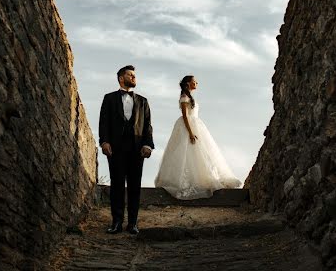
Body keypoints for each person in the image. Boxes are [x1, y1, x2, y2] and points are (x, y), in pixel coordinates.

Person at [154, 75, 240, 200]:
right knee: (187, 154)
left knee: (201, 154)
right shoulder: (184, 97)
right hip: (188, 127)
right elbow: (185, 116)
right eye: (194, 82)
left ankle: (202, 179)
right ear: (188, 83)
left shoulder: (189, 97)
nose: (197, 83)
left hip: (197, 125)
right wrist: (190, 132)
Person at [98, 65, 154, 235]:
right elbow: (104, 122)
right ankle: (116, 222)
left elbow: (148, 126)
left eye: (134, 75)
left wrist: (147, 144)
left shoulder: (143, 101)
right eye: (130, 75)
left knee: (135, 186)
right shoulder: (109, 98)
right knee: (116, 185)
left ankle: (133, 224)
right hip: (116, 148)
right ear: (121, 78)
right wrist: (104, 141)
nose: (134, 77)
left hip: (137, 149)